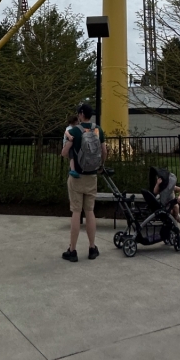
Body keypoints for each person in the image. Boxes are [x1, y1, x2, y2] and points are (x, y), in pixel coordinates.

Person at [61, 102, 107, 262]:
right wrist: (101, 166)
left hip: (77, 177)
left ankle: (72, 250)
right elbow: (104, 151)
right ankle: (92, 248)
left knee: (75, 212)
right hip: (92, 176)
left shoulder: (74, 131)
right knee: (90, 211)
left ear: (81, 114)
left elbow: (64, 152)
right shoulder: (98, 130)